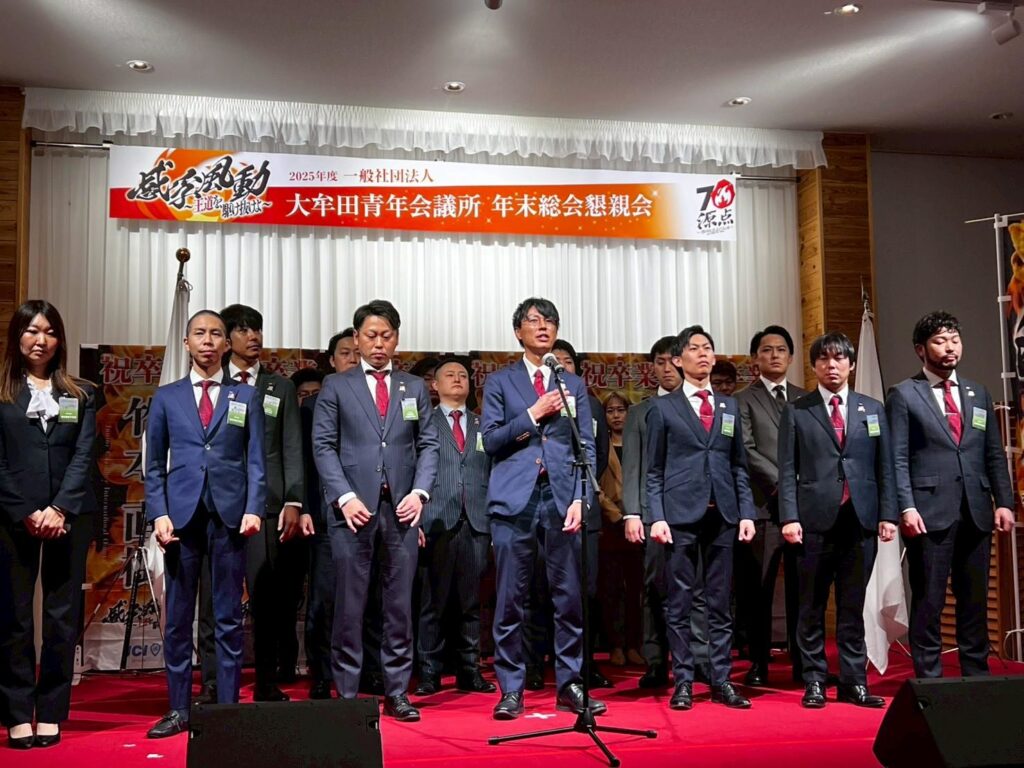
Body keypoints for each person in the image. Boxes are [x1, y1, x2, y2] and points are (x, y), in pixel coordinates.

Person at [312, 300, 439, 722]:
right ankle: (348, 695)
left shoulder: (413, 387)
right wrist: (344, 497)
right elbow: (323, 446)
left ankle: (397, 691)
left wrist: (420, 492)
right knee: (350, 606)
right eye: (370, 336)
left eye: (386, 335)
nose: (378, 343)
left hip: (402, 511)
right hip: (353, 511)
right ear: (356, 338)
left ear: (396, 339)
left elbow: (429, 445)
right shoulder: (336, 385)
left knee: (399, 606)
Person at [145, 310, 266, 738]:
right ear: (187, 343)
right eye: (200, 333)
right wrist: (159, 513)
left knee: (229, 617)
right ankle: (179, 708)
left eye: (216, 334)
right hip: (180, 518)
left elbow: (256, 459)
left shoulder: (245, 396)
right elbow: (153, 464)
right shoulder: (167, 397)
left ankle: (228, 711)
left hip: (230, 517)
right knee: (179, 620)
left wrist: (255, 507)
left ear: (226, 344)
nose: (208, 341)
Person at [483, 298, 602, 720]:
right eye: (534, 320)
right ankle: (511, 688)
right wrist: (533, 415)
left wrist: (581, 498)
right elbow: (491, 440)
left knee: (568, 598)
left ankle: (570, 684)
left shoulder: (573, 383)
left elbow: (585, 445)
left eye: (549, 320)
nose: (543, 326)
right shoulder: (500, 382)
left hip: (561, 497)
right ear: (518, 332)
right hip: (514, 500)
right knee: (510, 599)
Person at [886, 312, 1015, 678]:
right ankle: (930, 680)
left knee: (974, 598)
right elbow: (896, 458)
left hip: (976, 509)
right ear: (921, 349)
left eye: (955, 340)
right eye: (940, 341)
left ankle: (975, 675)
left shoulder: (978, 392)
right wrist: (906, 507)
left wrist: (1004, 502)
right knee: (929, 599)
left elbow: (993, 453)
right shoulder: (904, 394)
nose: (950, 348)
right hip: (928, 512)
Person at [779, 331, 897, 709]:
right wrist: (789, 517)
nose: (832, 366)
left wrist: (888, 514)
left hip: (860, 519)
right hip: (812, 521)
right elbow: (787, 470)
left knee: (852, 606)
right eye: (824, 359)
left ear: (852, 364)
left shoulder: (872, 409)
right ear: (814, 366)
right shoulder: (797, 410)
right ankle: (814, 680)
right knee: (811, 607)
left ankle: (853, 682)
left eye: (839, 359)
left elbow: (886, 467)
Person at [0, 300, 97, 750]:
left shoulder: (82, 393)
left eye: (50, 332)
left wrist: (60, 508)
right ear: (17, 336)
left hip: (68, 516)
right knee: (14, 616)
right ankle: (17, 712)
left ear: (60, 339)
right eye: (32, 331)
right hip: (11, 516)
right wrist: (26, 509)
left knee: (62, 617)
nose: (41, 341)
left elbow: (84, 454)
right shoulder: (2, 392)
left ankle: (52, 711)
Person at [646, 325, 756, 711]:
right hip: (679, 515)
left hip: (723, 514)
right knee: (679, 601)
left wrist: (746, 512)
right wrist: (656, 516)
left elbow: (739, 465)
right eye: (694, 348)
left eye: (708, 347)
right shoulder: (663, 408)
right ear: (679, 360)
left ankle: (722, 679)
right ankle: (684, 681)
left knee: (720, 601)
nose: (704, 354)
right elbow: (654, 470)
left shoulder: (728, 406)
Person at [217, 304, 310, 700]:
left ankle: (267, 682)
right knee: (217, 598)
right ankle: (215, 686)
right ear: (226, 339)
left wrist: (294, 499)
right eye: (243, 329)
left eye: (256, 328)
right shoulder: (213, 383)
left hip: (269, 506)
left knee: (267, 598)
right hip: (219, 503)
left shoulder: (279, 387)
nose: (253, 336)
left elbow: (291, 446)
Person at [521, 339, 610, 690]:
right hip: (535, 505)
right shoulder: (531, 400)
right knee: (534, 589)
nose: (559, 365)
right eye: (552, 360)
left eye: (566, 360)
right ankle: (533, 665)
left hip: (577, 507)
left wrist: (577, 493)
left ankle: (582, 668)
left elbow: (595, 453)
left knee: (582, 593)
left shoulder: (589, 403)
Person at [414, 358, 495, 696]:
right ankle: (429, 672)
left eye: (463, 375)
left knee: (471, 601)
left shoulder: (484, 424)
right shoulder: (424, 422)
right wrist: (416, 520)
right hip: (436, 518)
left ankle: (469, 670)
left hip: (476, 520)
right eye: (450, 374)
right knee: (432, 602)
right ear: (434, 385)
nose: (458, 379)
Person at [733, 325, 806, 686]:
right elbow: (746, 450)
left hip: (805, 509)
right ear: (755, 358)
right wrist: (785, 485)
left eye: (781, 350)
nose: (774, 355)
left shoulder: (806, 398)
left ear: (791, 357)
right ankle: (759, 661)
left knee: (803, 589)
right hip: (765, 507)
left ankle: (804, 664)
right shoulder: (742, 400)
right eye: (766, 350)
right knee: (759, 589)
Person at [622, 336, 692, 691]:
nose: (667, 368)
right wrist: (632, 513)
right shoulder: (641, 412)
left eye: (672, 360)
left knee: (696, 591)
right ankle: (655, 662)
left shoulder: (699, 406)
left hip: (694, 511)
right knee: (655, 589)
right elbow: (632, 465)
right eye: (660, 362)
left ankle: (697, 662)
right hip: (653, 514)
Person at [301, 328, 362, 700]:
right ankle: (322, 673)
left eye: (357, 353)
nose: (352, 359)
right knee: (325, 599)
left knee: (367, 599)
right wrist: (306, 508)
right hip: (327, 516)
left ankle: (366, 672)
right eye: (345, 353)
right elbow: (306, 465)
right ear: (331, 360)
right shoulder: (312, 406)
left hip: (369, 514)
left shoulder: (378, 400)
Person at [597, 392, 644, 668]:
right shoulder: (600, 445)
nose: (616, 415)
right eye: (610, 411)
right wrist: (616, 515)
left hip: (638, 522)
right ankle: (615, 644)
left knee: (637, 588)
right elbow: (595, 485)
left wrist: (634, 513)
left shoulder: (639, 442)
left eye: (621, 410)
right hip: (611, 524)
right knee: (611, 588)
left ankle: (634, 644)